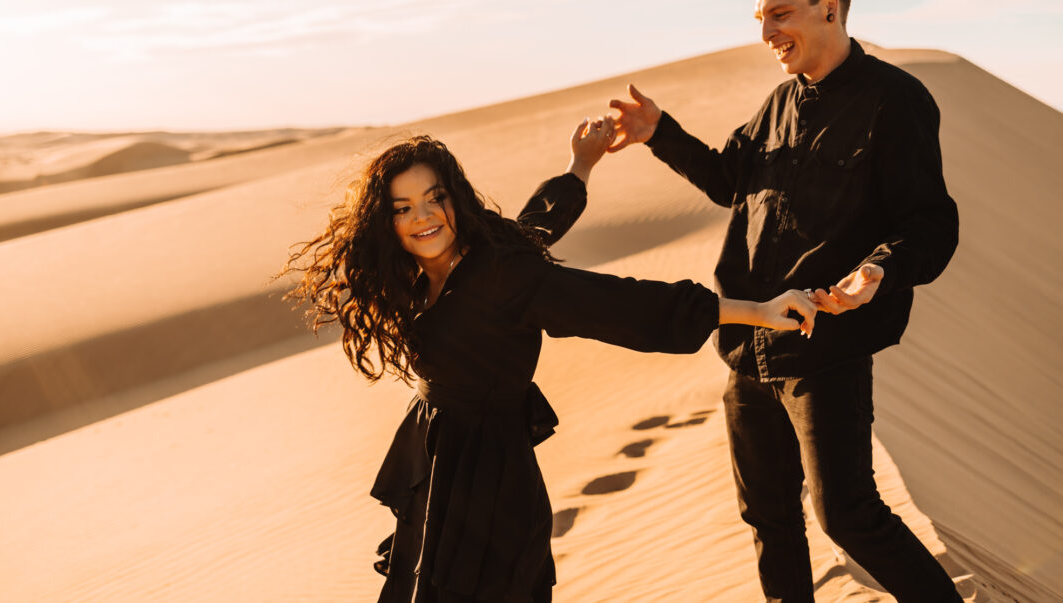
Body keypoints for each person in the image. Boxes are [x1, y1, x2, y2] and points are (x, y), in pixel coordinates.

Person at [282, 117, 818, 603]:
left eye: (434, 198)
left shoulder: (502, 276)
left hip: (491, 483)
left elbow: (621, 304)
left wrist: (757, 312)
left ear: (455, 199)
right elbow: (537, 223)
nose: (422, 218)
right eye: (402, 208)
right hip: (438, 462)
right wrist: (580, 164)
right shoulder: (441, 262)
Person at [599, 0, 961, 603]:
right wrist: (660, 133)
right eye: (761, 18)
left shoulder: (896, 101)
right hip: (748, 345)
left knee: (848, 513)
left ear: (830, 7)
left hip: (825, 347)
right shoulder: (777, 103)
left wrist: (879, 270)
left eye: (780, 14)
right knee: (767, 514)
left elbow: (931, 222)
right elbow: (727, 180)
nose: (766, 34)